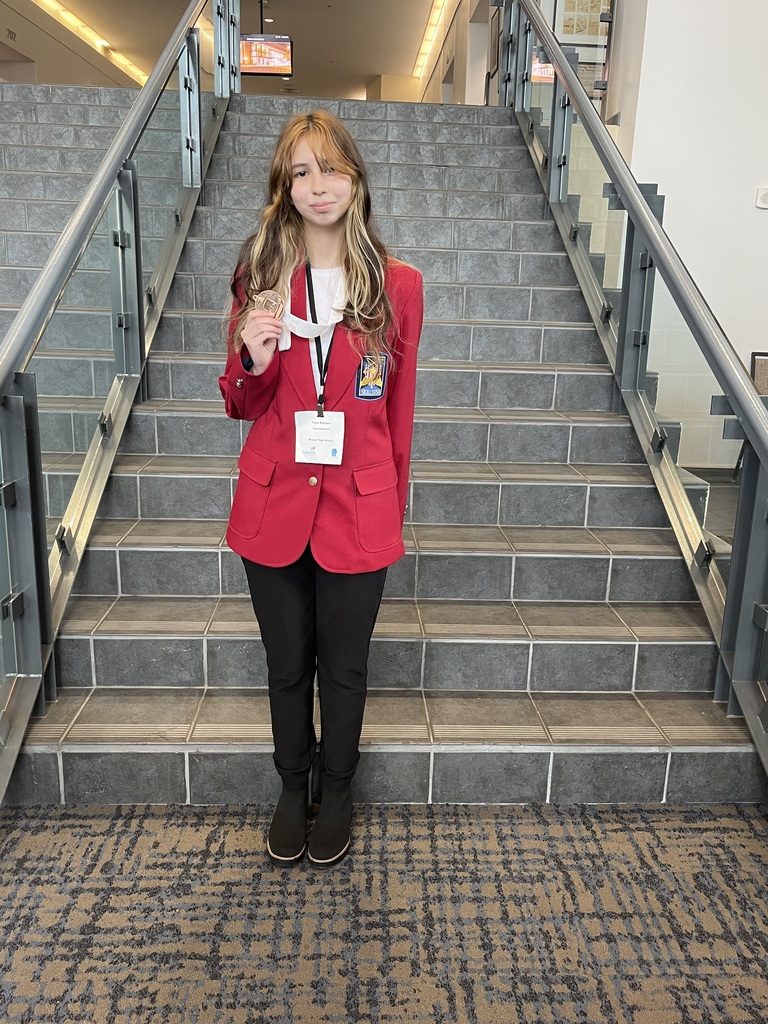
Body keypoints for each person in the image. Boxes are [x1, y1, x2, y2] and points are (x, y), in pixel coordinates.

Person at [219, 110, 424, 867]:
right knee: (286, 666)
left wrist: (389, 510)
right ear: (284, 188)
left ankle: (337, 789)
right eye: (300, 172)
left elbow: (396, 409)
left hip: (358, 505)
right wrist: (253, 355)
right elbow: (239, 401)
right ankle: (290, 785)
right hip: (273, 501)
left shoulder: (398, 287)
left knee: (344, 667)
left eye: (331, 168)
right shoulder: (261, 275)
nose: (318, 185)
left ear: (356, 179)